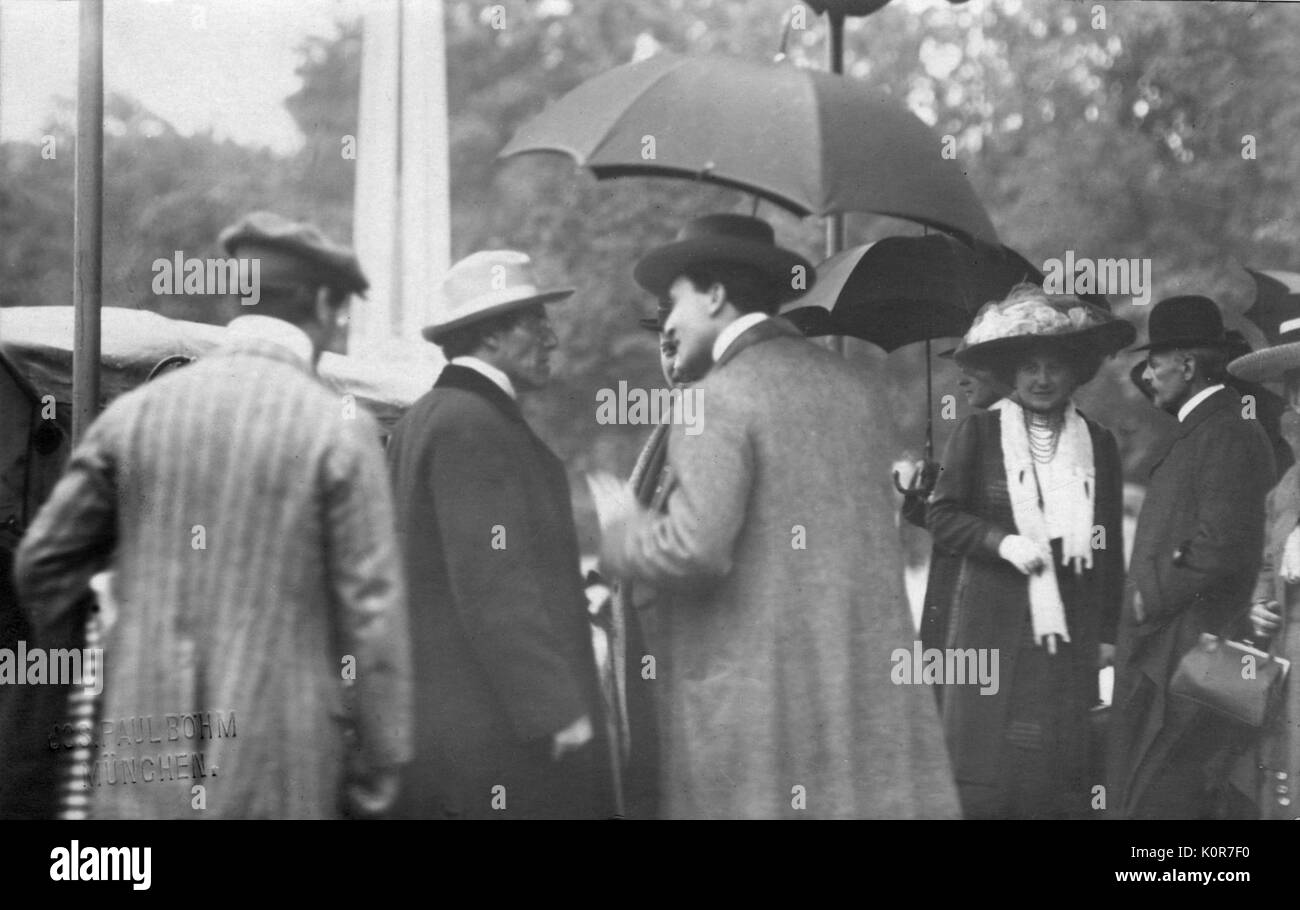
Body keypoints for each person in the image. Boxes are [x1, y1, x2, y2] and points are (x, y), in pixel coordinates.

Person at [14, 211, 411, 819]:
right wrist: (379, 771)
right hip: (283, 768)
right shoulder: (340, 431)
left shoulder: (135, 416)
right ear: (328, 305)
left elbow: (43, 566)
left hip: (143, 764)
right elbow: (373, 617)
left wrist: (122, 643)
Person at [593, 213, 960, 819]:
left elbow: (695, 550)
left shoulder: (715, 399)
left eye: (673, 302)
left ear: (714, 295)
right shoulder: (852, 389)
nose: (670, 322)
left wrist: (623, 530)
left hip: (752, 722)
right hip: (856, 710)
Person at [387, 249, 615, 819]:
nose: (552, 338)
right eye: (534, 320)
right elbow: (494, 588)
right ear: (488, 335)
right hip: (499, 746)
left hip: (453, 742)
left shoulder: (426, 417)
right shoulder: (473, 426)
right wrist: (558, 710)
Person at [925, 284, 1130, 819]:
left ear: (1075, 372)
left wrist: (1108, 632)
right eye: (1030, 368)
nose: (1042, 380)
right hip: (991, 628)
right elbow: (941, 516)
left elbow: (1107, 544)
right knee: (987, 778)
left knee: (1054, 777)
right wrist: (1001, 541)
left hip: (1068, 633)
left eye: (1054, 367)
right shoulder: (978, 431)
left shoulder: (1099, 442)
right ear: (1012, 373)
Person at [1110, 295, 1276, 819]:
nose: (1147, 375)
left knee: (1167, 805)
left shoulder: (1226, 432)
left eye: (1155, 363)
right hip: (1180, 652)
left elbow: (1220, 544)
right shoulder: (1203, 427)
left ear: (1185, 365)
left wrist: (1145, 600)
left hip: (1198, 655)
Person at [1224, 309, 1300, 820]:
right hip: (1289, 660)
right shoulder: (1289, 484)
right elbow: (1268, 561)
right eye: (1297, 388)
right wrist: (1258, 604)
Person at [911, 353, 1011, 663]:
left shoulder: (984, 429)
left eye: (975, 370)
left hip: (980, 594)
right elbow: (949, 514)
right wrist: (927, 496)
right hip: (956, 586)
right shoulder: (977, 429)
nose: (961, 381)